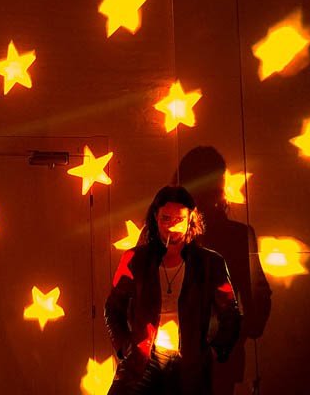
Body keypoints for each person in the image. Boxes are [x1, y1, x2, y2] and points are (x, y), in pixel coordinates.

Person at [105, 185, 241, 395]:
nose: (172, 226)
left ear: (190, 219)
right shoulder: (135, 259)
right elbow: (113, 307)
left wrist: (215, 350)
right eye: (166, 218)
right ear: (155, 218)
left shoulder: (209, 262)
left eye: (179, 219)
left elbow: (230, 312)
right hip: (143, 360)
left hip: (189, 364)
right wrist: (125, 346)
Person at [175, 146, 271, 395]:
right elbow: (258, 299)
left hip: (179, 360)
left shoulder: (165, 234)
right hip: (216, 360)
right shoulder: (238, 235)